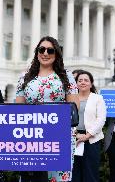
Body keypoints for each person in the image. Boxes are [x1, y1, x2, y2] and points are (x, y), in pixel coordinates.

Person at [16, 36, 79, 182]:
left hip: (59, 136)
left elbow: (74, 109)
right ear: (37, 52)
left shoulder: (66, 76)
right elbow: (18, 109)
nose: (45, 53)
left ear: (56, 54)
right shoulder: (24, 77)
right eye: (41, 49)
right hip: (31, 136)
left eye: (50, 50)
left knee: (56, 177)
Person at [72, 70, 106, 182]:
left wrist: (86, 136)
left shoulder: (98, 98)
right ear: (76, 83)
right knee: (74, 173)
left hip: (92, 140)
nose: (83, 82)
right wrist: (76, 134)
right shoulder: (71, 99)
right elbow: (66, 119)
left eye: (86, 80)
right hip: (73, 139)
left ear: (91, 84)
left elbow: (101, 119)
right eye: (80, 80)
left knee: (90, 174)